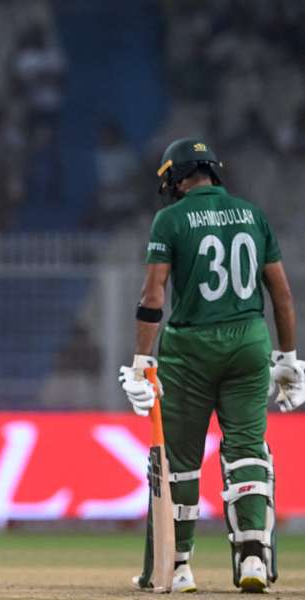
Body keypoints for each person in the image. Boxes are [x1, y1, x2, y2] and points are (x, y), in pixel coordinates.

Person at [119, 138, 304, 593]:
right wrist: (287, 356)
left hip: (191, 349)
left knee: (180, 460)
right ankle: (254, 560)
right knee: (246, 450)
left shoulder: (171, 218)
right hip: (249, 342)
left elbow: (153, 296)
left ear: (178, 178)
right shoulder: (252, 214)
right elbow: (280, 294)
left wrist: (143, 360)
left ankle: (178, 567)